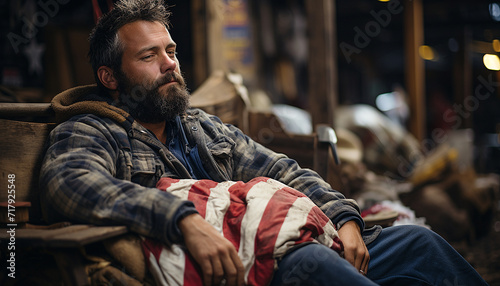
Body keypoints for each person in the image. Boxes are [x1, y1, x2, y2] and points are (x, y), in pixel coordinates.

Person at [40, 0, 488, 285]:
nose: (169, 65)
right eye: (148, 56)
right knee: (322, 265)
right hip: (252, 265)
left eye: (171, 51)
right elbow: (67, 183)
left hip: (284, 239)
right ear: (109, 77)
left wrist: (344, 218)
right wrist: (182, 221)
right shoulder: (92, 129)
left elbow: (284, 170)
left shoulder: (201, 127)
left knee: (419, 245)